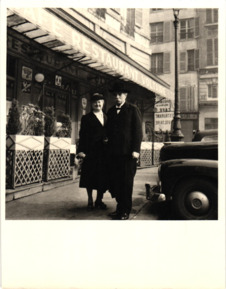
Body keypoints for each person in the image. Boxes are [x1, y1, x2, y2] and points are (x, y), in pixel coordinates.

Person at [106, 82, 143, 220]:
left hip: (128, 155)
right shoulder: (110, 111)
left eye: (120, 94)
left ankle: (125, 211)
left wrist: (136, 150)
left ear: (125, 95)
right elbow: (108, 132)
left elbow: (138, 132)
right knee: (116, 182)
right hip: (113, 155)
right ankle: (119, 208)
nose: (117, 97)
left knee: (126, 183)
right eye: (115, 95)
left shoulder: (132, 110)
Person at [77, 93, 108, 211]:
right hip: (90, 152)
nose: (97, 104)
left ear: (103, 103)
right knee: (89, 177)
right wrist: (81, 151)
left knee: (103, 178)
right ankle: (90, 199)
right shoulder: (86, 118)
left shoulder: (107, 117)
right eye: (95, 102)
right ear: (91, 104)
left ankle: (99, 200)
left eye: (100, 101)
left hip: (104, 153)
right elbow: (82, 135)